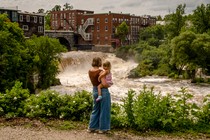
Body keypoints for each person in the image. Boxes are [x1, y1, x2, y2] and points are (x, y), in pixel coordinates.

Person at [88, 57, 111, 133]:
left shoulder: (90, 71)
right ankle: (103, 129)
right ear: (99, 63)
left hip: (95, 90)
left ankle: (92, 127)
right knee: (104, 110)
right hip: (103, 91)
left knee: (95, 109)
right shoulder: (101, 71)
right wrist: (109, 85)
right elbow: (104, 83)